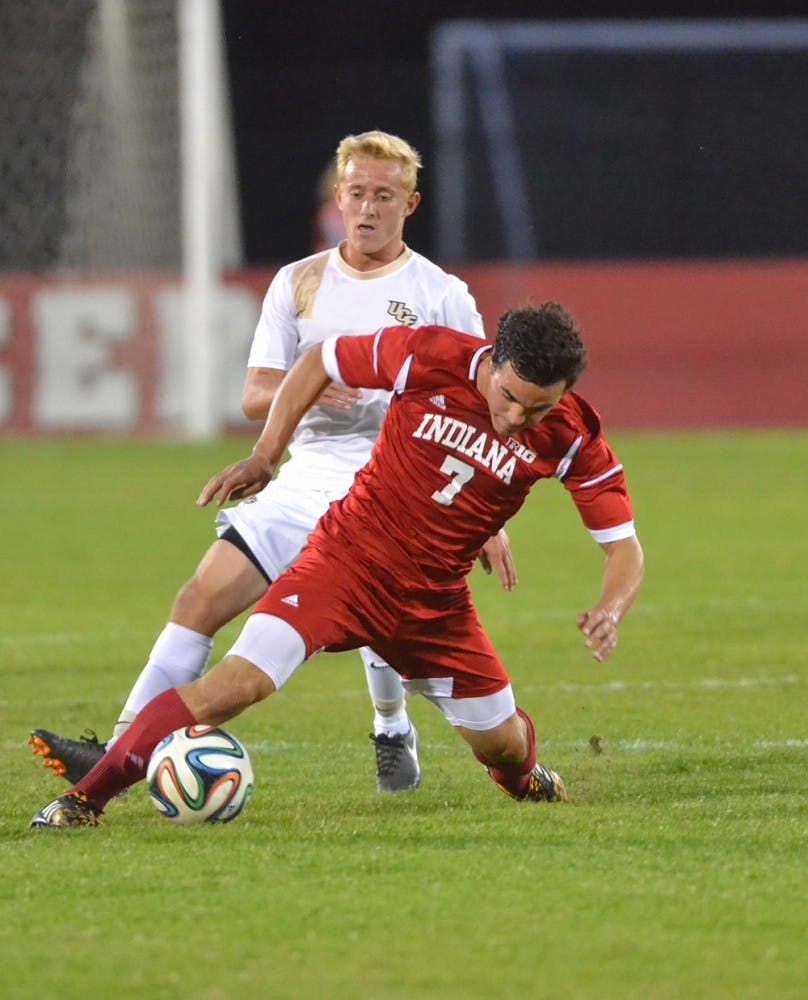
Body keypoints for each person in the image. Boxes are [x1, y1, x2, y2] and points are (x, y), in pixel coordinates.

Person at [30, 301, 644, 828]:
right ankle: (82, 803)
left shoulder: (571, 434)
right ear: (492, 359)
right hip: (343, 563)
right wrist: (267, 454)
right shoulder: (425, 355)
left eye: (535, 410)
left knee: (503, 745)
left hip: (434, 605)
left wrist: (611, 607)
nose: (515, 418)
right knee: (236, 685)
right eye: (509, 397)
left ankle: (528, 778)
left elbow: (623, 546)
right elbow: (320, 358)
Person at [29, 129, 510, 795]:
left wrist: (488, 519)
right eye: (359, 194)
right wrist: (310, 387)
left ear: (412, 203)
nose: (369, 209)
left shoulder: (442, 295)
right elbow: (257, 391)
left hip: (398, 490)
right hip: (305, 478)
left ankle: (391, 724)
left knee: (379, 626)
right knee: (200, 595)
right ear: (338, 197)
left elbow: (482, 409)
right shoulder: (299, 283)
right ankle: (116, 749)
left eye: (385, 196)